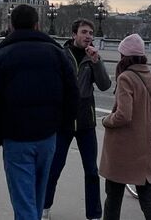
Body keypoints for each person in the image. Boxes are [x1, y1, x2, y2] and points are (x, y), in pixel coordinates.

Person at [0, 5, 79, 219]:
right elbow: (73, 95)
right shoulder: (57, 54)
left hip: (16, 138)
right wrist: (61, 127)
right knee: (37, 198)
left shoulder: (0, 56)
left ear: (11, 26)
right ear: (37, 24)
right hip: (48, 137)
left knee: (24, 202)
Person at [44, 19, 111, 220]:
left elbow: (105, 85)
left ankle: (94, 215)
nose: (88, 36)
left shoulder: (93, 58)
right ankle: (44, 207)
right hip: (63, 122)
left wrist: (97, 61)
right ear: (74, 34)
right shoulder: (61, 55)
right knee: (54, 168)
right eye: (84, 32)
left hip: (86, 122)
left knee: (91, 171)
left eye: (90, 32)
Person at [99, 33, 151, 220]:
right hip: (145, 146)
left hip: (123, 149)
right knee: (147, 198)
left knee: (113, 198)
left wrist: (106, 120)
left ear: (124, 56)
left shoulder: (126, 78)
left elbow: (123, 115)